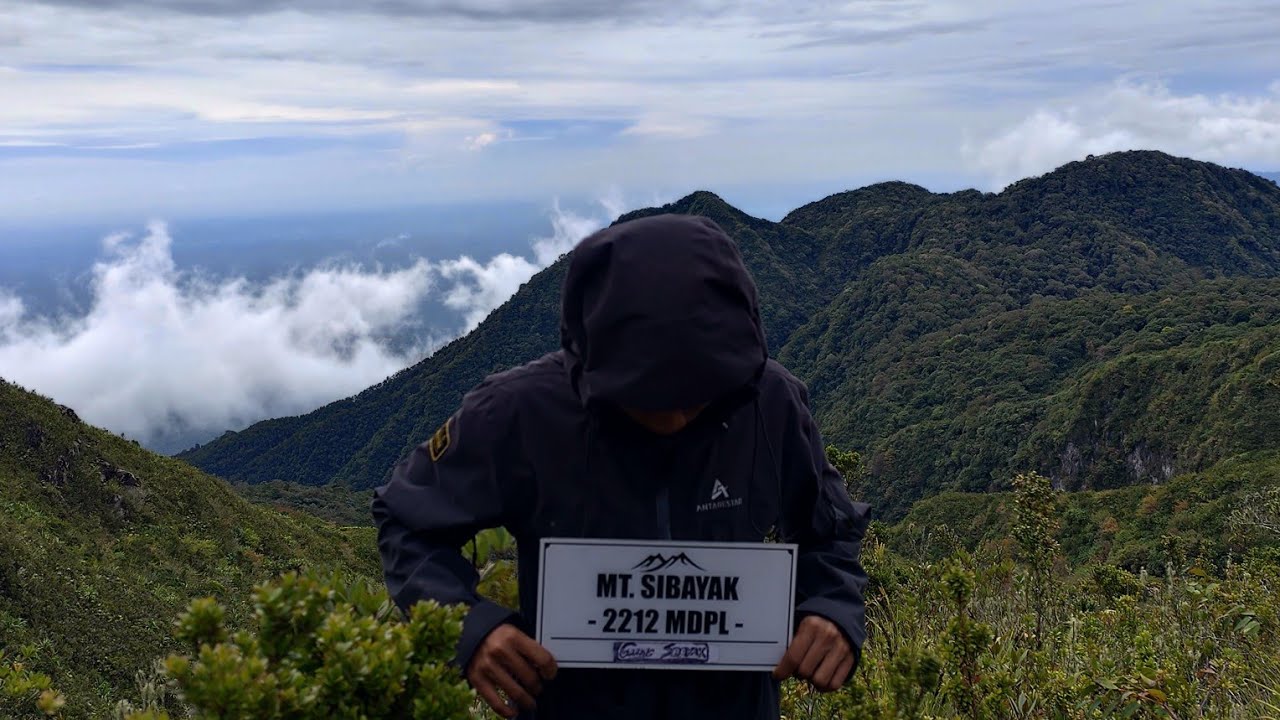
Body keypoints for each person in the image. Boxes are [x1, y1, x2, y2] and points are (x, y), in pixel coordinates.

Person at [372, 214, 870, 720]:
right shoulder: (516, 415)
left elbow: (830, 529)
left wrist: (833, 607)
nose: (675, 420)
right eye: (648, 400)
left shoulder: (771, 403)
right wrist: (471, 627)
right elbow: (408, 522)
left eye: (699, 400)